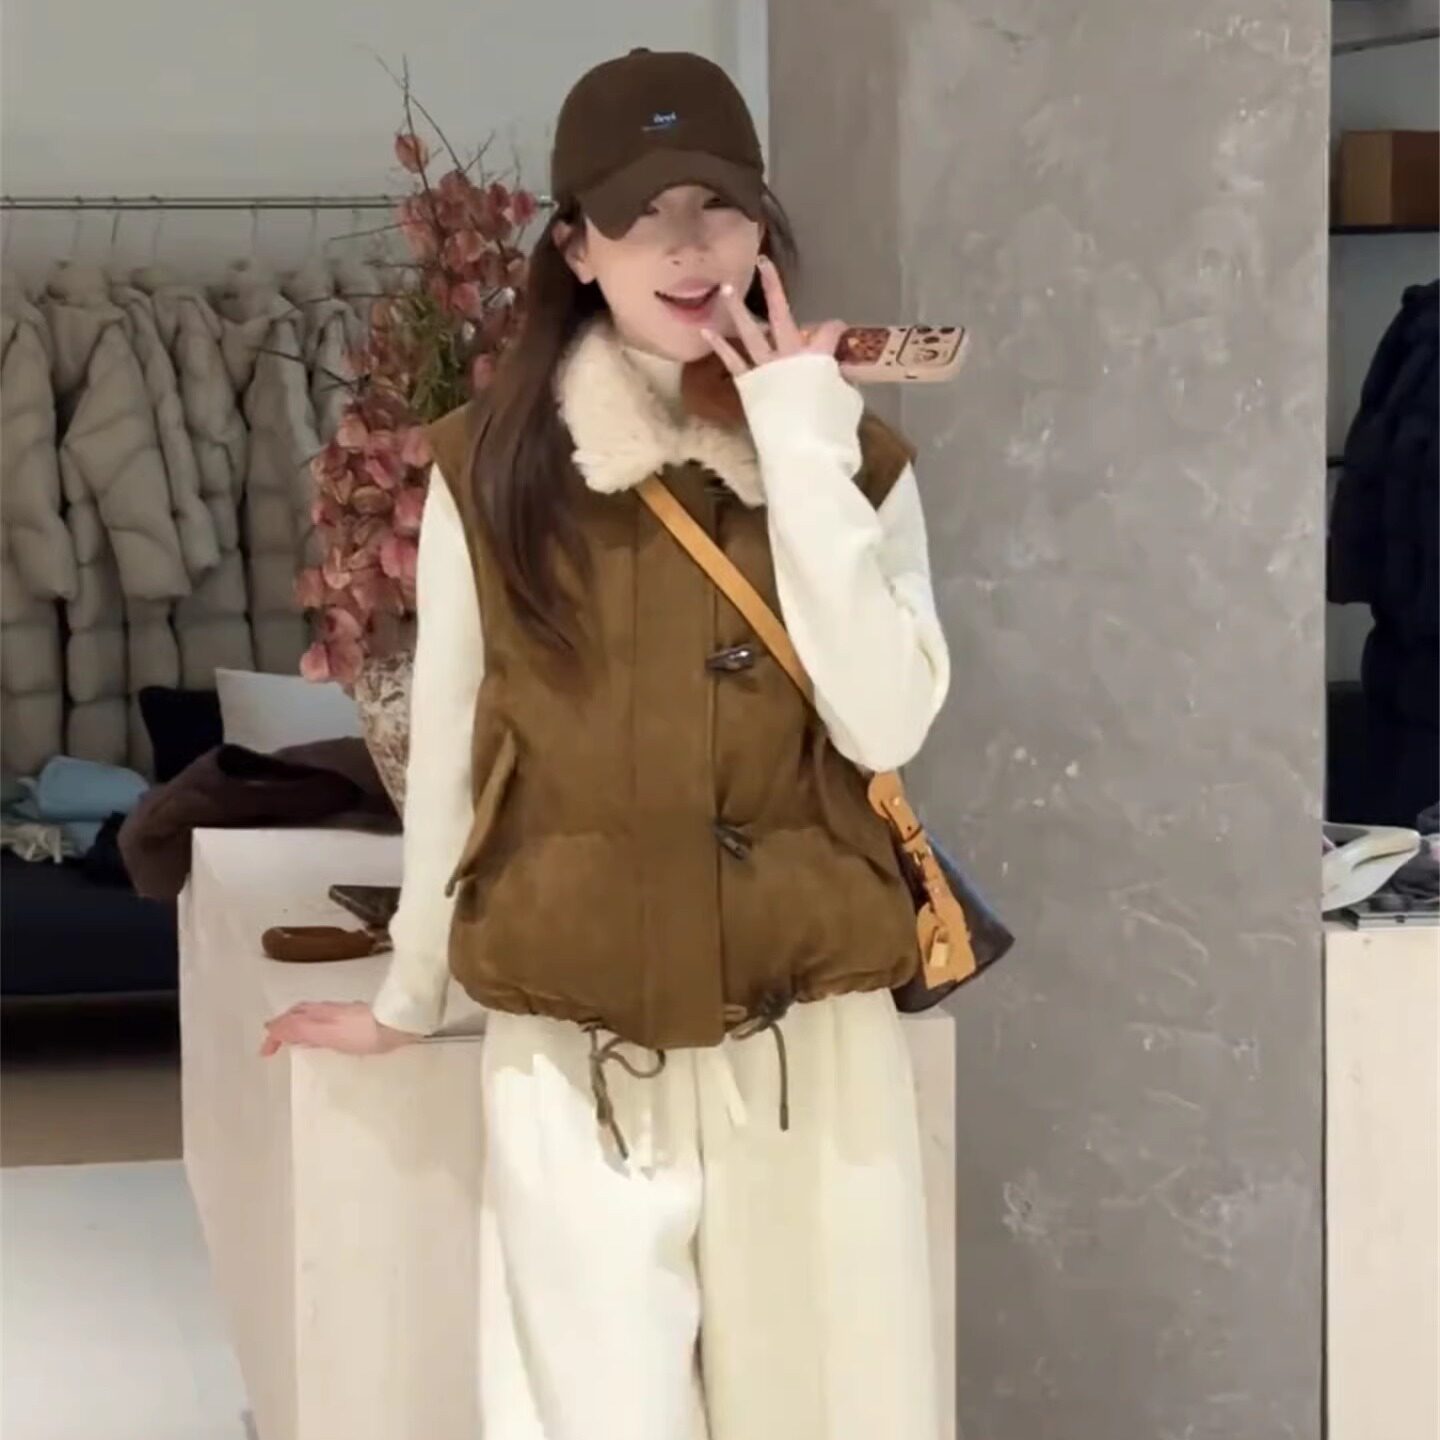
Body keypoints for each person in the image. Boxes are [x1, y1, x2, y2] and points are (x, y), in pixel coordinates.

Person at [262, 47, 952, 1440]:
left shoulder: (851, 459)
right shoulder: (491, 469)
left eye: (718, 204)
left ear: (762, 225)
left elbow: (885, 719)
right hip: (575, 1056)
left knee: (832, 1415)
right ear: (575, 247)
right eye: (644, 214)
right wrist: (410, 996)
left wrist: (802, 445)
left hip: (808, 1052)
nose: (689, 248)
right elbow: (453, 754)